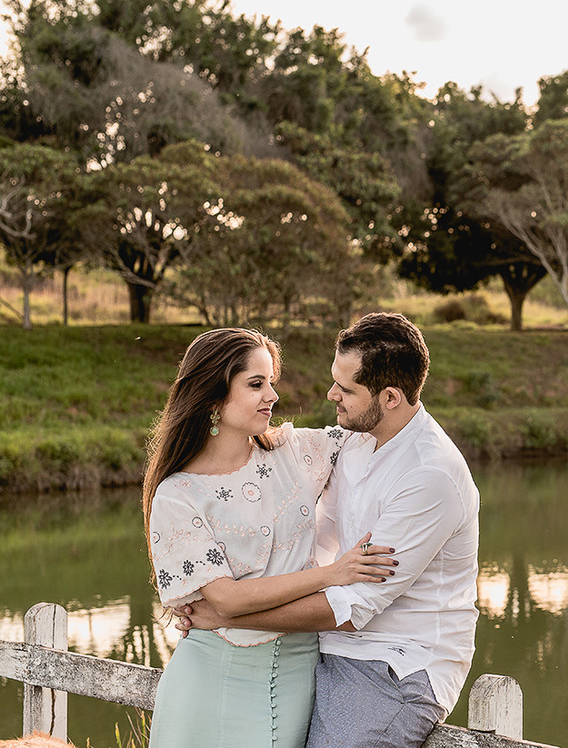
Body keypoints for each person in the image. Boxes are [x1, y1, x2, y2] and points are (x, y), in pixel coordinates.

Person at [182, 312, 481, 748]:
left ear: (391, 397)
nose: (331, 394)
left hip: (394, 663)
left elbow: (356, 605)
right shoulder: (355, 438)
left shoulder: (429, 476)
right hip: (321, 643)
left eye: (346, 389)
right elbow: (309, 532)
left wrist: (231, 617)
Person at [144, 328, 398, 748]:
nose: (273, 396)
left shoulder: (295, 452)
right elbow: (225, 599)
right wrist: (332, 573)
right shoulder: (177, 494)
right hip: (209, 681)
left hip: (298, 676)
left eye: (272, 382)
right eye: (256, 384)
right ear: (213, 394)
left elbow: (374, 429)